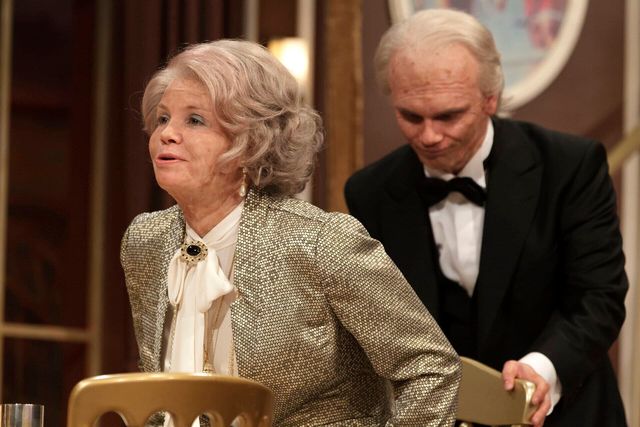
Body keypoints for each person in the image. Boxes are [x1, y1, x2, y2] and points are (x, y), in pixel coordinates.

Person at [120, 39, 461, 426]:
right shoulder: (145, 240)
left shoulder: (321, 242)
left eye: (194, 120)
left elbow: (430, 368)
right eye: (162, 119)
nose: (166, 134)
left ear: (250, 141)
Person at [345, 8, 627, 427]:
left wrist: (542, 369)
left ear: (490, 98)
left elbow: (598, 297)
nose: (429, 136)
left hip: (569, 414)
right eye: (411, 116)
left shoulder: (570, 165)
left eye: (448, 115)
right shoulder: (370, 192)